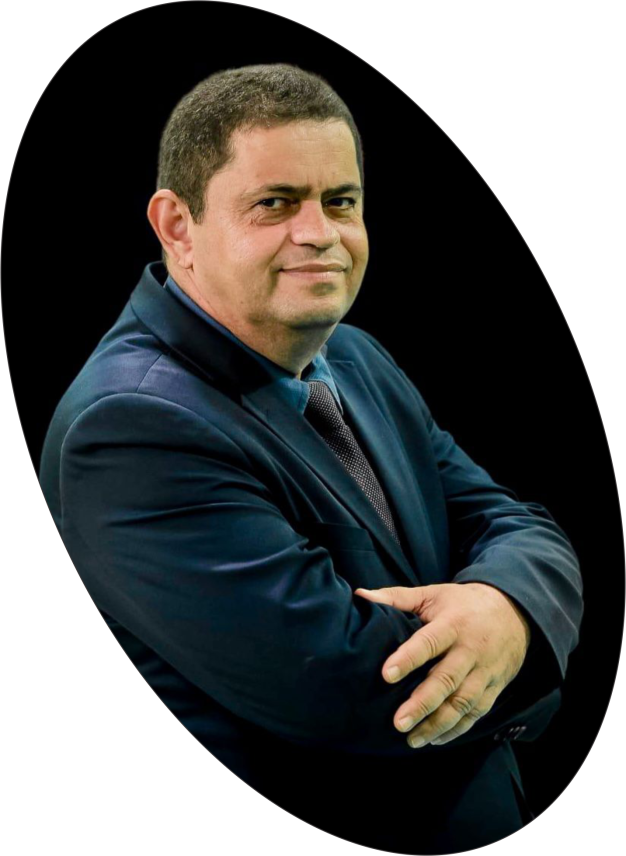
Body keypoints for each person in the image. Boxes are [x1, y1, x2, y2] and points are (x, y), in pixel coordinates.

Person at [38, 63, 583, 852]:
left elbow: (516, 524)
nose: (319, 233)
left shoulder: (356, 359)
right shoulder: (131, 428)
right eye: (275, 203)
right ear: (177, 225)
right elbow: (350, 689)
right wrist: (527, 631)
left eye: (341, 202)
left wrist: (506, 608)